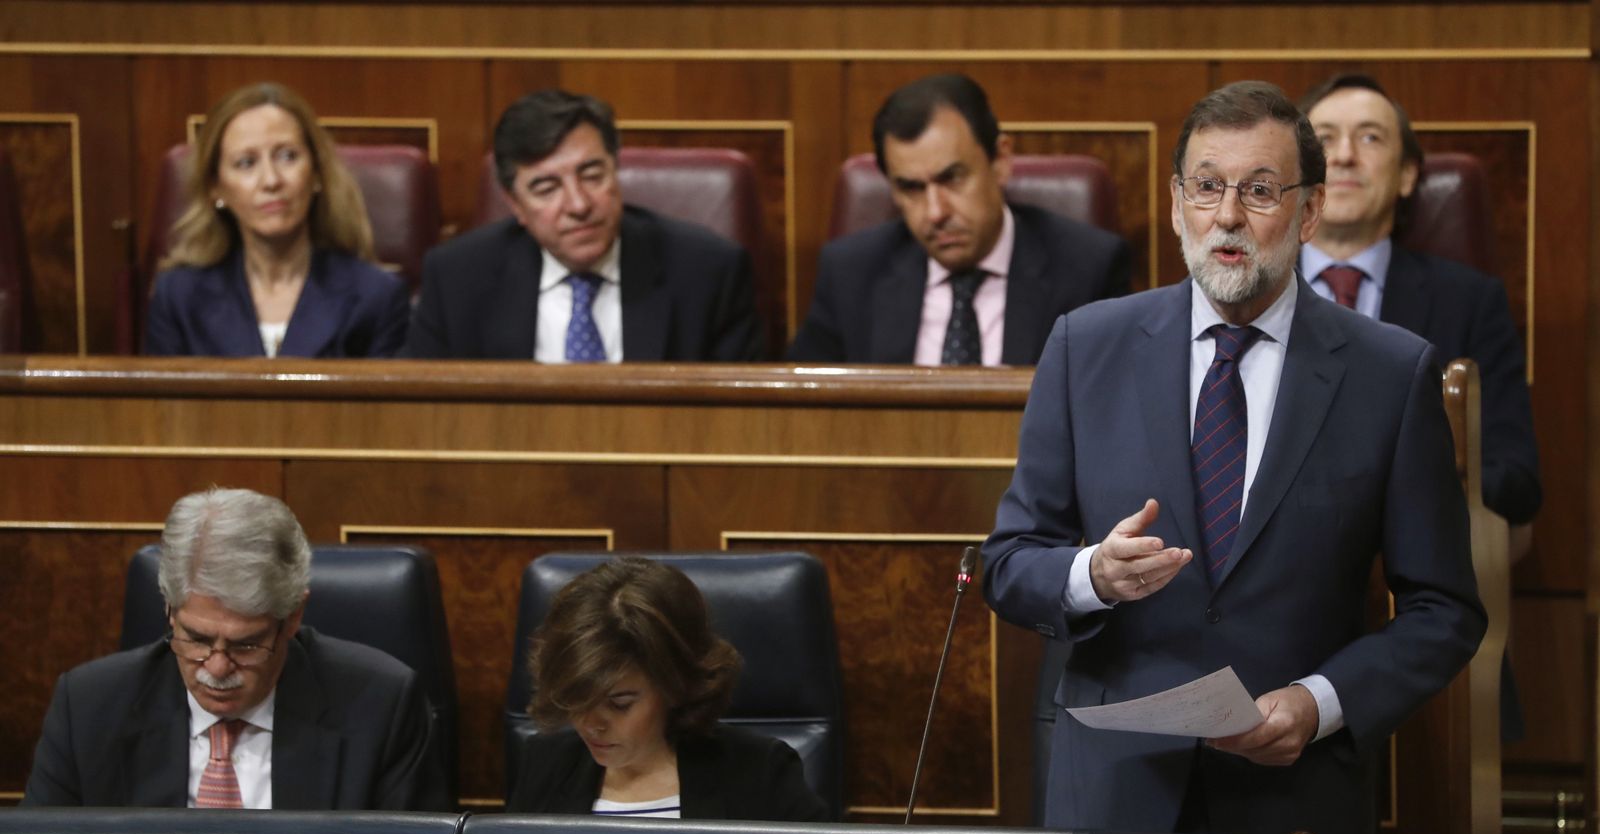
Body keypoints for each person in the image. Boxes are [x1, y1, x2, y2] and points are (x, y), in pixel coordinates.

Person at [981, 81, 1485, 834]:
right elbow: (1009, 562)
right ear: (1174, 203)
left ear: (1307, 209)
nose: (1227, 217)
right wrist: (1091, 575)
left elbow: (1443, 608)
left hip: (1292, 810)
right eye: (1206, 187)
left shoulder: (1391, 372)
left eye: (1258, 190)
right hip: (1114, 801)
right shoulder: (1086, 345)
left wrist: (1320, 702)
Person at [1301, 72, 1541, 741]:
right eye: (1324, 140)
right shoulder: (1242, 295)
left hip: (1421, 611)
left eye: (1370, 138)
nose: (1344, 155)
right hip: (1276, 624)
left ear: (1408, 175)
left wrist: (1404, 484)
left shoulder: (1470, 302)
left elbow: (1517, 479)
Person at [23, 487, 447, 810]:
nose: (217, 667)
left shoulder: (381, 707)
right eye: (197, 639)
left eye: (246, 644)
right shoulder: (89, 709)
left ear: (293, 618)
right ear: (169, 610)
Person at [787, 73, 1132, 365]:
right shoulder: (851, 273)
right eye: (911, 188)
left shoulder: (1087, 270)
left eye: (952, 178)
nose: (935, 212)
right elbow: (802, 411)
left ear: (1000, 161)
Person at [405, 90, 764, 362]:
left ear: (615, 172)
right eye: (547, 189)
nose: (578, 205)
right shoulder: (457, 280)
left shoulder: (708, 274)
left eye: (592, 175)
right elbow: (424, 415)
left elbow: (740, 421)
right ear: (515, 205)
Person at [505, 556, 827, 820]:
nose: (591, 723)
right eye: (577, 698)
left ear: (674, 685)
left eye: (619, 703)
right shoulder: (545, 764)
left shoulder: (759, 772)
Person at [145, 83, 409, 358]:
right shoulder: (178, 298)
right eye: (246, 163)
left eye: (287, 156)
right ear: (216, 187)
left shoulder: (376, 297)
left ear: (317, 172)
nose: (271, 180)